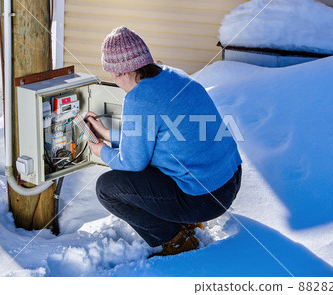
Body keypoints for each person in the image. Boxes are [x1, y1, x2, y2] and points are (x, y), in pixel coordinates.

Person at [85, 26, 242, 257]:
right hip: (230, 179)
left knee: (107, 188)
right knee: (152, 169)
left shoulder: (139, 98)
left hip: (205, 199)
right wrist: (109, 135)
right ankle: (186, 221)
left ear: (120, 73)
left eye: (112, 75)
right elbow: (155, 136)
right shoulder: (173, 75)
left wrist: (102, 152)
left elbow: (132, 163)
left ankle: (175, 239)